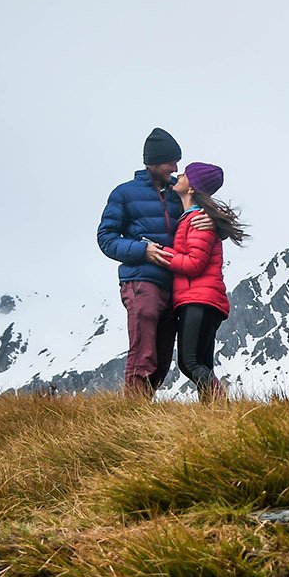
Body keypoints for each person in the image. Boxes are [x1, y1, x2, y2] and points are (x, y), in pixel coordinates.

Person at [96, 128, 212, 398]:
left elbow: (211, 215)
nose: (175, 167)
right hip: (141, 281)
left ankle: (142, 413)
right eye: (170, 161)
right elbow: (106, 238)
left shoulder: (178, 194)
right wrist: (141, 250)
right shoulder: (124, 193)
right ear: (153, 161)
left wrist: (212, 223)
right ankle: (130, 417)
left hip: (175, 286)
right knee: (144, 352)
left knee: (161, 359)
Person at [165, 161, 247, 400]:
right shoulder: (196, 217)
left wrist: (163, 255)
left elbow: (194, 263)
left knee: (189, 363)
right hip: (206, 300)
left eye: (184, 174)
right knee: (202, 364)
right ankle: (214, 414)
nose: (178, 176)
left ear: (191, 188)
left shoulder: (197, 220)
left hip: (199, 300)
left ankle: (222, 404)